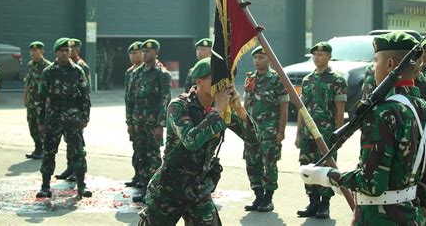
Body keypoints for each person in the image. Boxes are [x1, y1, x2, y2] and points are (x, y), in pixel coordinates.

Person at [300, 31, 426, 225]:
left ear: (389, 64)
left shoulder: (382, 112)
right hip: (411, 215)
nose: (374, 66)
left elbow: (371, 184)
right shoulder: (424, 109)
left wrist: (325, 176)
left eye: (376, 60)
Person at [138, 57, 257, 225]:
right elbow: (191, 141)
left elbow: (253, 138)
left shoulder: (222, 108)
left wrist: (238, 108)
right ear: (199, 80)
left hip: (198, 189)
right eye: (217, 80)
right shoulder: (179, 106)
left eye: (226, 80)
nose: (223, 85)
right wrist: (217, 112)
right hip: (169, 189)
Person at [295, 41, 347, 219]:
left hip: (326, 134)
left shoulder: (337, 79)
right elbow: (302, 109)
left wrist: (339, 135)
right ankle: (313, 202)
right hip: (307, 135)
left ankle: (325, 205)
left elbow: (340, 109)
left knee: (325, 169)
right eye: (315, 55)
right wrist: (298, 134)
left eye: (321, 54)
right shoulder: (307, 79)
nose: (317, 58)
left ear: (329, 57)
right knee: (307, 166)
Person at [36, 38, 92, 198]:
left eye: (67, 50)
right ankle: (45, 186)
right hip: (53, 117)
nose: (65, 53)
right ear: (56, 52)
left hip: (73, 118)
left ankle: (81, 185)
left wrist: (85, 116)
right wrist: (41, 120)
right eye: (62, 50)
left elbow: (85, 95)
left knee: (78, 152)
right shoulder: (49, 72)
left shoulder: (77, 70)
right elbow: (41, 98)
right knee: (49, 152)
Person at [243, 46, 289, 212]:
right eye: (255, 58)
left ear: (269, 59)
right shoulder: (250, 78)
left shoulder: (277, 79)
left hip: (269, 131)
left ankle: (268, 199)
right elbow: (246, 104)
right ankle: (258, 196)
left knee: (269, 164)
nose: (257, 61)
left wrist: (281, 131)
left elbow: (284, 107)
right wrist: (243, 127)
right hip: (252, 131)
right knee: (251, 163)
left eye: (261, 57)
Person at [126, 39, 171, 202]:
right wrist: (129, 122)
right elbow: (130, 99)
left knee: (154, 157)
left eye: (149, 52)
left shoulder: (162, 74)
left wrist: (160, 125)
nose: (145, 54)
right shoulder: (136, 73)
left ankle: (156, 190)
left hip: (153, 124)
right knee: (141, 155)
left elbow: (164, 100)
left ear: (156, 53)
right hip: (138, 122)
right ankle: (144, 187)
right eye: (143, 51)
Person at [54, 38, 91, 182]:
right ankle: (70, 167)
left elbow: (85, 91)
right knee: (69, 143)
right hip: (62, 114)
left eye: (72, 48)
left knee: (77, 144)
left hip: (76, 112)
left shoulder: (81, 66)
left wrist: (84, 114)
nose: (70, 51)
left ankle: (78, 170)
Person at [23, 41, 51, 159]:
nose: (33, 53)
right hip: (31, 101)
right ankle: (38, 148)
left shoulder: (48, 66)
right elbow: (28, 82)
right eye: (31, 50)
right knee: (32, 125)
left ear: (42, 51)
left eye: (36, 50)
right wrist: (25, 97)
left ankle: (45, 150)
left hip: (42, 102)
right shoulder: (30, 65)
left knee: (42, 126)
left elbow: (50, 87)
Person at [123, 41, 143, 188]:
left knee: (149, 152)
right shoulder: (130, 73)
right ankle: (137, 175)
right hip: (135, 118)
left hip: (148, 118)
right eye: (131, 53)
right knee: (137, 149)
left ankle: (147, 178)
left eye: (136, 53)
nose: (133, 56)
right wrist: (129, 121)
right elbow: (128, 98)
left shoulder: (156, 70)